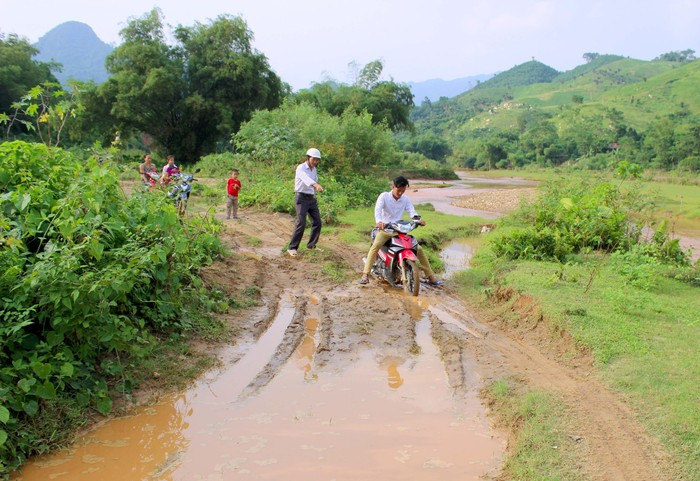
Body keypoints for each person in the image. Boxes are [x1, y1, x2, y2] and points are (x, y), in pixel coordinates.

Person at [360, 176, 442, 286]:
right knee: (376, 246)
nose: (400, 193)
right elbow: (378, 210)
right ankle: (365, 274)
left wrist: (418, 220)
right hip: (386, 230)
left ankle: (430, 277)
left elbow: (411, 211)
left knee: (419, 249)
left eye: (403, 191)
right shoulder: (384, 196)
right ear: (393, 187)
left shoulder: (405, 199)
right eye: (399, 190)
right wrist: (379, 222)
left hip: (399, 230)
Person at [287, 148, 324, 257]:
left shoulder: (314, 169)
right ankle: (292, 248)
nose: (315, 162)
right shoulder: (301, 168)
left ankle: (311, 245)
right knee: (301, 222)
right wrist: (316, 185)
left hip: (311, 198)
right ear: (308, 158)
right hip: (301, 198)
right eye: (314, 159)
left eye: (317, 160)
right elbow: (307, 179)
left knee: (317, 221)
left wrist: (315, 188)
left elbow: (315, 180)